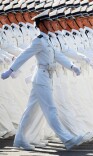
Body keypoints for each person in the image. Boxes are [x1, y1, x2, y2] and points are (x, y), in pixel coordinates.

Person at [1, 9, 84, 150]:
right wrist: (11, 70)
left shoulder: (47, 40)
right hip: (41, 78)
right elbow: (24, 55)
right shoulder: (38, 41)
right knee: (51, 109)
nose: (51, 24)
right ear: (41, 25)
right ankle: (67, 138)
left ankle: (20, 139)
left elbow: (58, 55)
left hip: (46, 78)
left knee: (30, 111)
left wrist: (72, 66)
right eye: (47, 22)